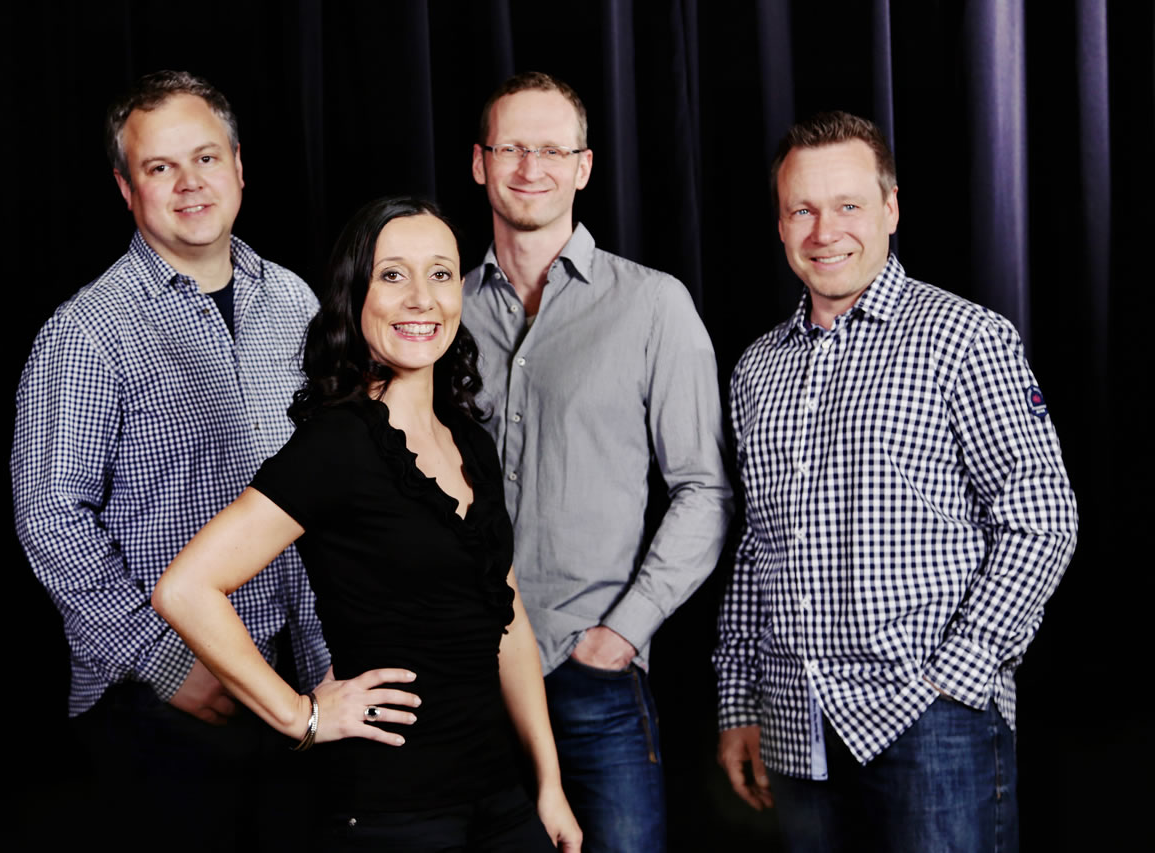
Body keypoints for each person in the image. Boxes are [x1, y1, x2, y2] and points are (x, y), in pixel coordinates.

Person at [153, 196, 583, 852]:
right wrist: (301, 716)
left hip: (500, 797)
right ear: (356, 295)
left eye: (440, 274)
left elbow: (510, 619)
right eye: (393, 275)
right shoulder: (339, 445)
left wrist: (548, 783)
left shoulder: (470, 441)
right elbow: (185, 588)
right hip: (393, 812)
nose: (421, 298)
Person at [713, 111, 1078, 851]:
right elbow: (758, 547)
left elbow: (1042, 518)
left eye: (848, 205)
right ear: (780, 225)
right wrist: (738, 702)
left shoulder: (965, 338)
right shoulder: (756, 368)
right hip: (796, 726)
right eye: (802, 210)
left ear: (890, 208)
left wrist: (958, 672)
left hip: (932, 722)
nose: (825, 232)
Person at [10, 70, 328, 848]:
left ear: (239, 166)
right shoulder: (88, 332)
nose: (190, 183)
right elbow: (50, 516)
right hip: (164, 705)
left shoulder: (295, 302)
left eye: (206, 158)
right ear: (127, 189)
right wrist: (163, 661)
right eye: (160, 167)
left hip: (294, 680)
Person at [462, 72, 732, 852]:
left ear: (583, 167)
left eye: (552, 150)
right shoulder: (440, 311)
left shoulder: (652, 305)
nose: (530, 168)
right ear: (480, 162)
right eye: (511, 148)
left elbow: (704, 490)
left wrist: (621, 633)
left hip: (592, 675)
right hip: (466, 677)